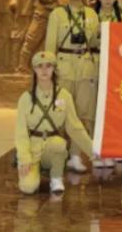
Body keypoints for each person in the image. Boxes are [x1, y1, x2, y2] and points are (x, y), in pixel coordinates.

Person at [15, 51, 94, 195]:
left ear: (54, 68)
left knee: (59, 144)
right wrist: (24, 158)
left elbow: (75, 127)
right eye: (40, 66)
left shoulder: (64, 96)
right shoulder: (25, 98)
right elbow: (20, 132)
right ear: (34, 69)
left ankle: (56, 178)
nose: (44, 70)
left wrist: (93, 151)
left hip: (53, 146)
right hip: (32, 148)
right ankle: (34, 170)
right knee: (28, 187)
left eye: (48, 66)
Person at [44, 0, 99, 173]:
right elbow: (50, 46)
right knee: (61, 113)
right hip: (64, 68)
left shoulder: (92, 14)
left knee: (83, 113)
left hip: (85, 67)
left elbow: (94, 43)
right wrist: (48, 72)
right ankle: (58, 152)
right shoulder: (57, 14)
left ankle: (76, 156)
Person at [91, 0, 122, 169]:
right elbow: (87, 41)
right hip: (97, 63)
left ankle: (116, 146)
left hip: (118, 67)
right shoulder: (91, 16)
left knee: (116, 107)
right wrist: (98, 34)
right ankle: (98, 148)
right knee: (98, 107)